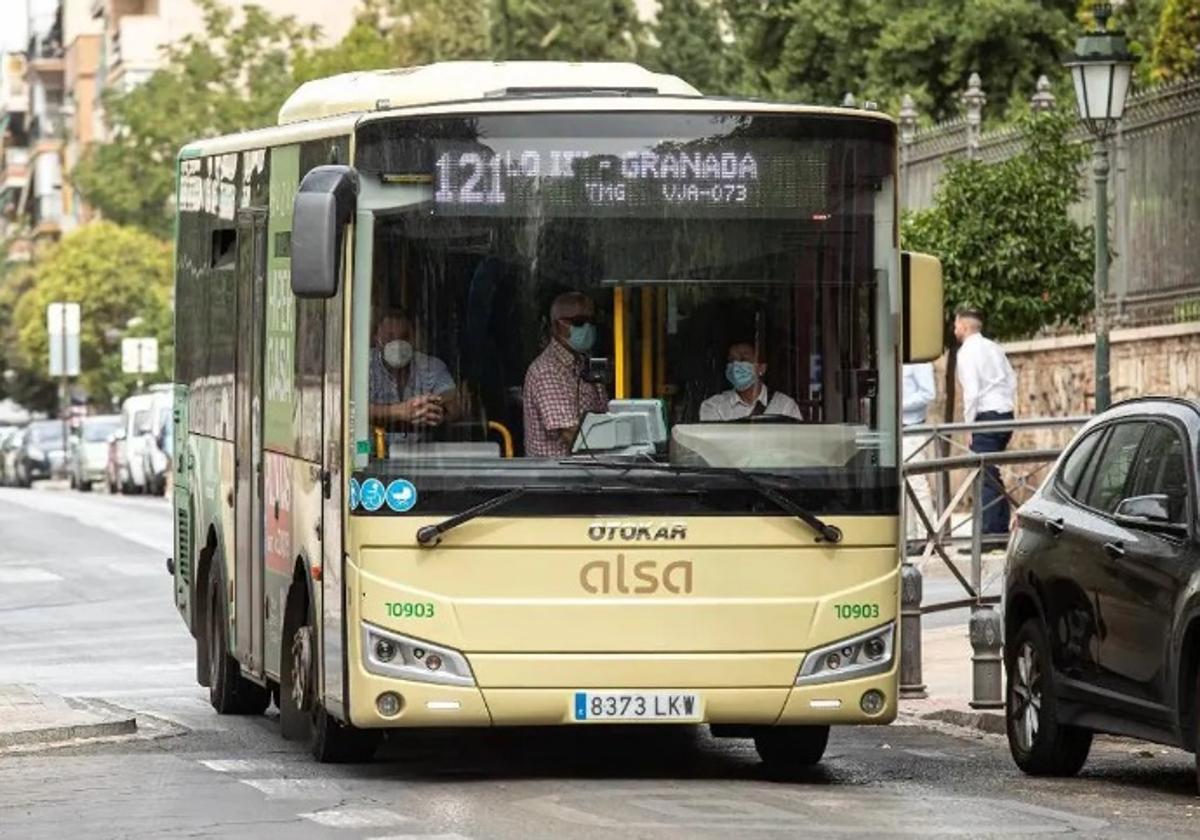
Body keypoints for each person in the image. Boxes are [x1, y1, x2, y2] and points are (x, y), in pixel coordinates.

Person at [954, 308, 1017, 536]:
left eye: (956, 324)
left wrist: (969, 425)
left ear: (964, 325)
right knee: (991, 473)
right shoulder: (994, 347)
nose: (954, 329)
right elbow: (1011, 379)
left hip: (985, 416)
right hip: (1005, 414)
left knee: (983, 475)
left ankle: (990, 533)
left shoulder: (967, 353)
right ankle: (998, 528)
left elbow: (971, 391)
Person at [522, 291, 608, 458]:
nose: (587, 327)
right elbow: (572, 436)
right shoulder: (547, 371)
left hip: (587, 471)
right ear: (556, 326)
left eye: (592, 321)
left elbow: (604, 415)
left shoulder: (584, 363)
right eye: (579, 322)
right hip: (556, 477)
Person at [368, 307, 459, 437]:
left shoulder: (432, 366)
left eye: (404, 336)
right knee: (360, 449)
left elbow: (453, 403)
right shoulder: (362, 367)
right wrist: (399, 411)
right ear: (376, 338)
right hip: (371, 447)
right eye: (390, 337)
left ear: (414, 337)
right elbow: (351, 410)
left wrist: (433, 410)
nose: (398, 344)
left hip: (421, 450)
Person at [699, 341, 803, 421]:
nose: (736, 366)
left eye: (743, 360)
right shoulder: (714, 406)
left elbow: (794, 443)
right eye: (731, 360)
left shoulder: (785, 406)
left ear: (762, 368)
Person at [902, 362, 936, 550]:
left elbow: (928, 393)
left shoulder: (920, 362)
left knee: (917, 483)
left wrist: (897, 403)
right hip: (898, 427)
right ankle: (910, 538)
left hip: (913, 427)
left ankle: (926, 538)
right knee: (904, 486)